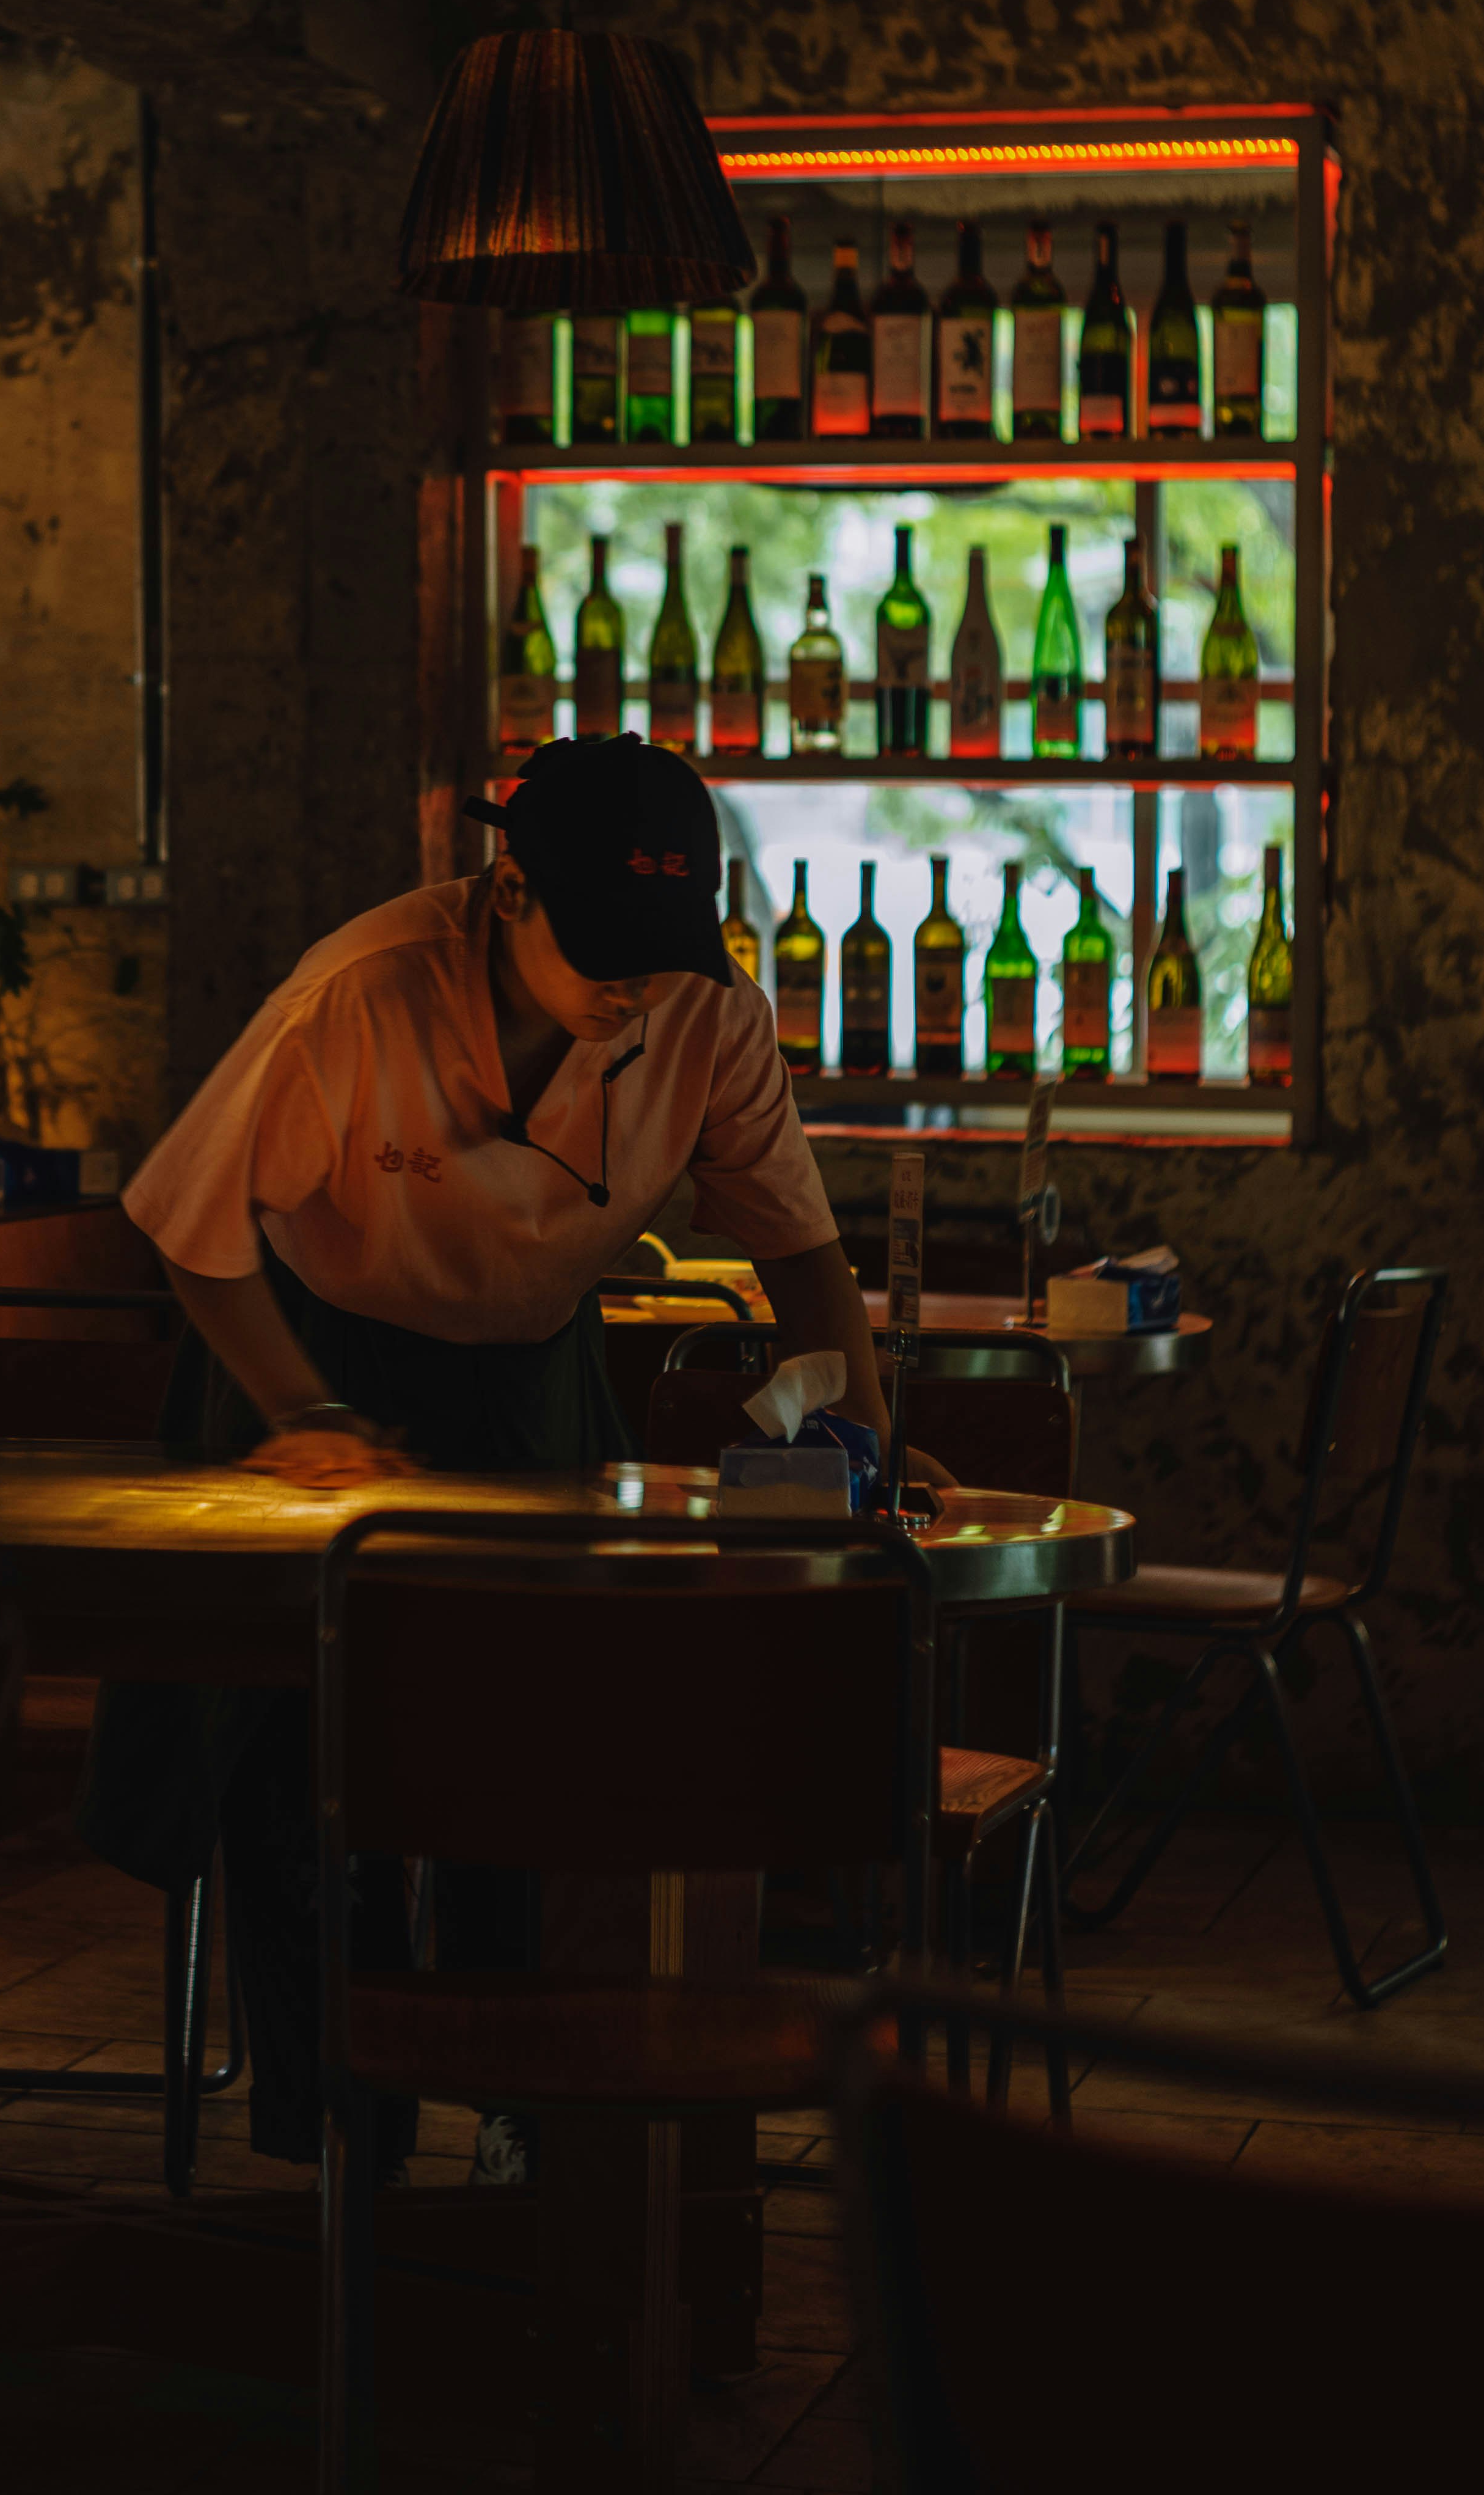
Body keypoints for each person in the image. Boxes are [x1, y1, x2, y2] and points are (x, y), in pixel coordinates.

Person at [78, 733, 945, 2172]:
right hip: (312, 1353)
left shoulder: (704, 1010)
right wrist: (304, 1416)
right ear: (510, 894)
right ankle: (339, 2131)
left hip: (533, 1369)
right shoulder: (359, 991)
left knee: (539, 1737)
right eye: (602, 948)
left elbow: (800, 1245)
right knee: (299, 1758)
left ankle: (531, 2102)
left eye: (659, 954)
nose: (631, 987)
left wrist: (865, 1440)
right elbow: (194, 1232)